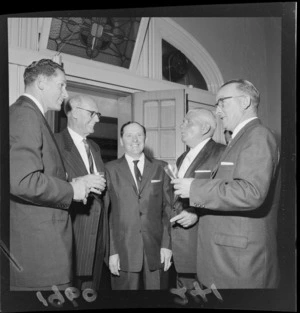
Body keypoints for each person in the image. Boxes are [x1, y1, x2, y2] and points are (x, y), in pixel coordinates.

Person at [172, 79, 281, 289]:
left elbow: (251, 192)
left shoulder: (258, 135)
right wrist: (196, 212)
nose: (218, 111)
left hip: (239, 263)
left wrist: (194, 188)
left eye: (222, 102)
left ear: (245, 101)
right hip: (225, 258)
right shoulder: (238, 139)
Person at [9, 59, 92, 291]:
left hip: (43, 249)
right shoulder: (25, 115)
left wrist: (72, 182)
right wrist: (71, 190)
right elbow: (22, 181)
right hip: (40, 255)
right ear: (42, 82)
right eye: (62, 85)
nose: (65, 94)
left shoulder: (29, 114)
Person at [105, 121, 172, 290]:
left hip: (157, 249)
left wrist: (167, 245)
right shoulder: (109, 170)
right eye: (129, 135)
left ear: (145, 138)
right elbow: (107, 215)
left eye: (139, 135)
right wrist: (112, 251)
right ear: (121, 140)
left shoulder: (161, 168)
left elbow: (168, 210)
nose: (135, 139)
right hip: (123, 249)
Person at [54, 95, 108, 291]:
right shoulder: (55, 142)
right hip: (73, 234)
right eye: (93, 114)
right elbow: (47, 185)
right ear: (75, 113)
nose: (98, 119)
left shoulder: (94, 147)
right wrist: (77, 182)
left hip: (96, 237)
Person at [170, 109, 225, 291]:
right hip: (181, 246)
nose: (181, 125)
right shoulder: (182, 158)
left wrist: (197, 213)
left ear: (205, 128)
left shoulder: (222, 153)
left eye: (187, 122)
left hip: (203, 245)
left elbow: (227, 195)